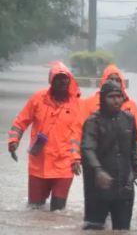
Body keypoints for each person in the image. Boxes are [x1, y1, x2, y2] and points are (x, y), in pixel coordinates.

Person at [8, 61, 82, 211]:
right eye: (58, 78)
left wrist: (78, 158)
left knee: (58, 211)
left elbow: (84, 133)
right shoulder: (37, 99)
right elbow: (20, 122)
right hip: (38, 164)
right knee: (34, 208)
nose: (63, 82)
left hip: (64, 165)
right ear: (51, 81)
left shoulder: (78, 104)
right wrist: (13, 141)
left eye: (65, 78)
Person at [81, 81, 137, 230]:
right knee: (93, 231)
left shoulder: (129, 119)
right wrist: (98, 170)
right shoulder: (93, 121)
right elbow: (87, 149)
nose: (116, 101)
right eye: (111, 97)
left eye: (119, 96)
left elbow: (132, 147)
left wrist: (136, 167)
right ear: (103, 99)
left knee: (122, 233)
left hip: (125, 184)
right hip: (98, 186)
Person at [74, 64, 137, 169]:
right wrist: (75, 158)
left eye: (117, 80)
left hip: (124, 163)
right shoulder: (88, 104)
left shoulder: (130, 106)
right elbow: (78, 133)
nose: (114, 83)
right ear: (103, 82)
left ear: (122, 83)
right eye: (111, 79)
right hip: (97, 164)